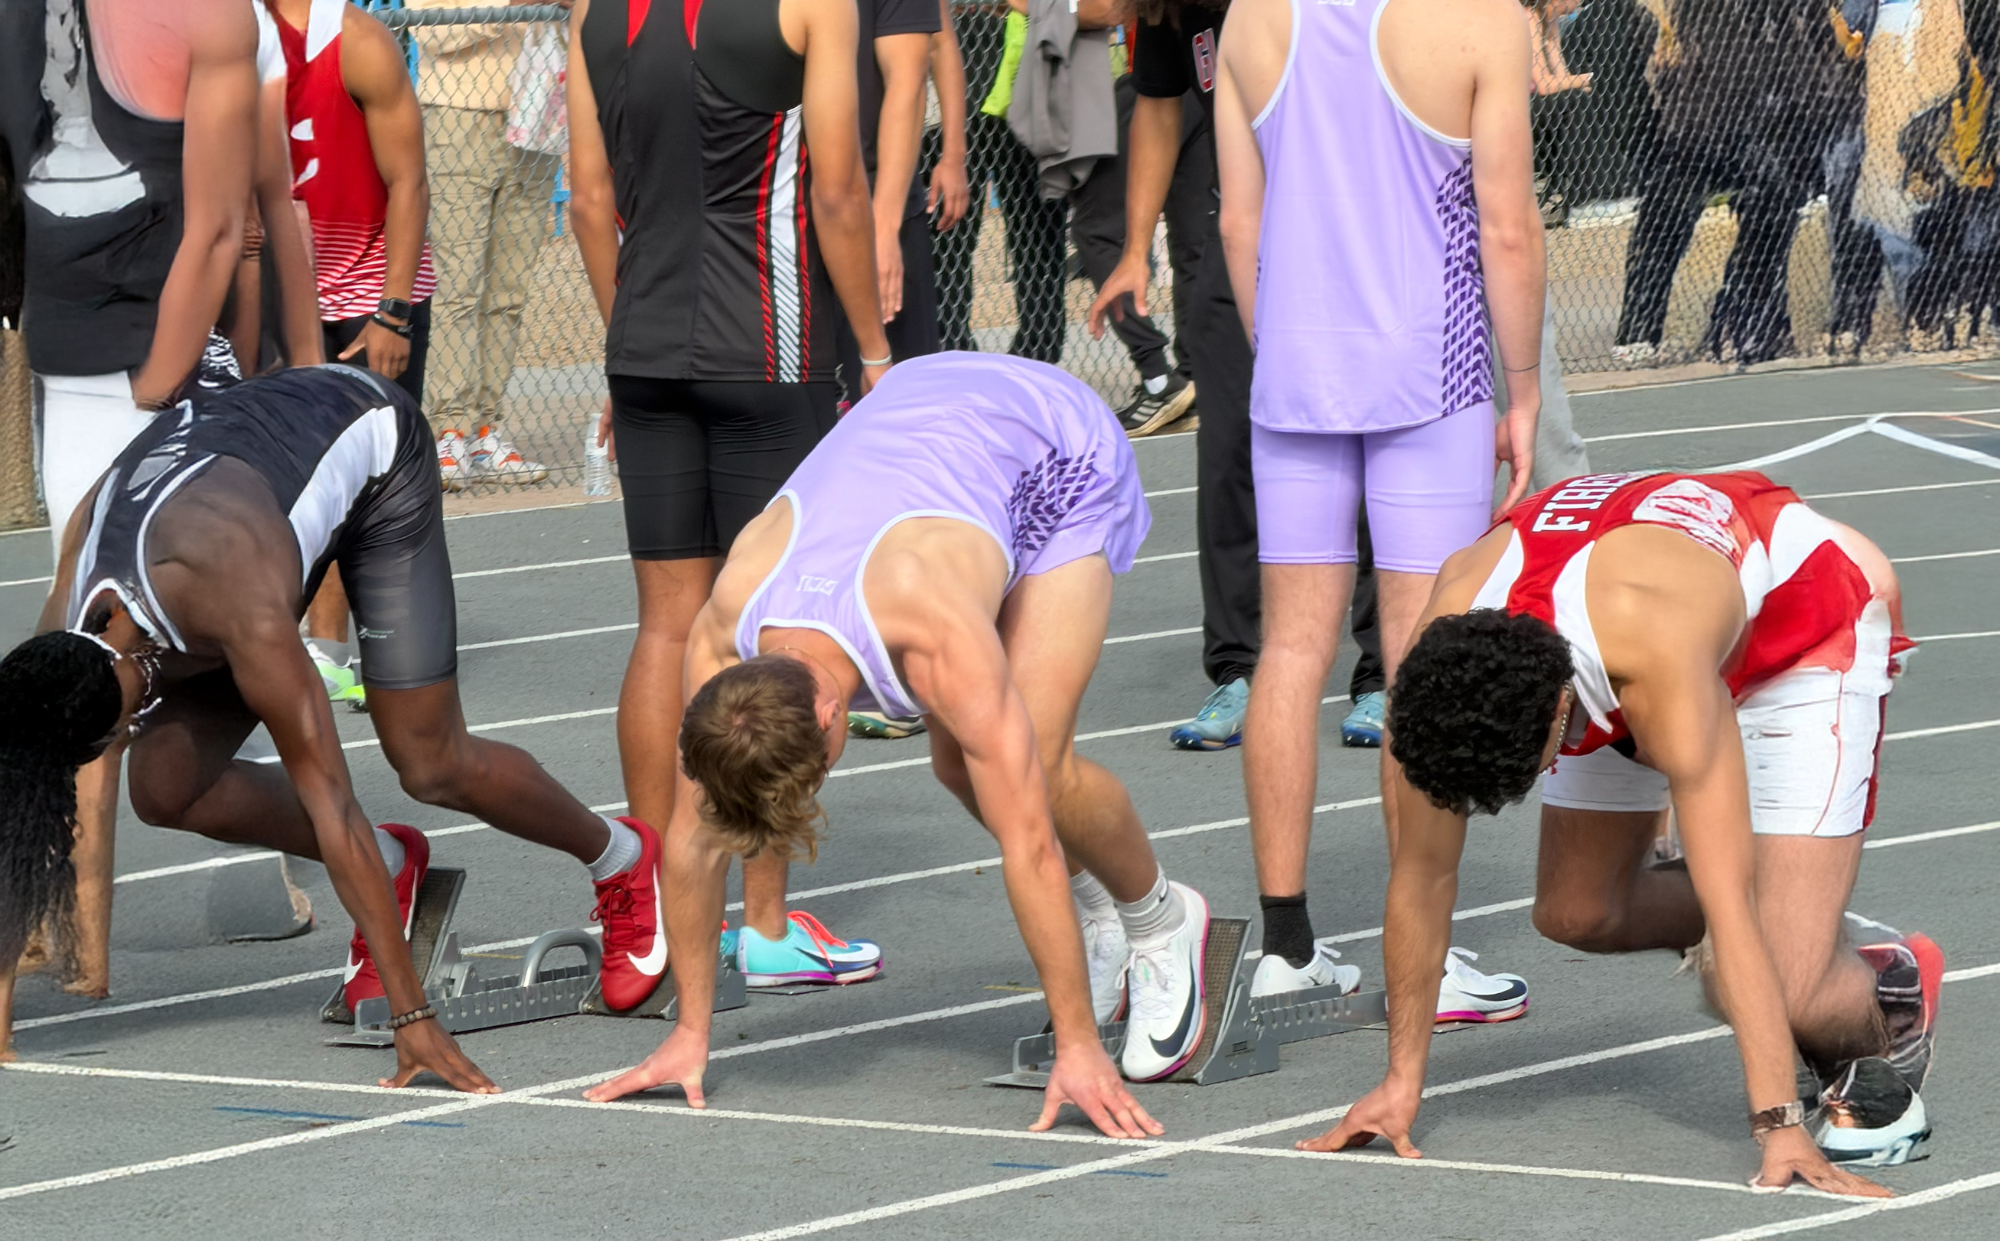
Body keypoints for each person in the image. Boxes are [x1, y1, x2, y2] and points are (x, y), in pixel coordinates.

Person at [583, 352, 1211, 1134]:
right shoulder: (723, 629)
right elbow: (692, 839)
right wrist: (691, 1033)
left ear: (829, 719)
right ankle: (1100, 918)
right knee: (958, 763)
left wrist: (1079, 1047)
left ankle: (1159, 919)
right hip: (929, 410)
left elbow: (1030, 847)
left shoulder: (930, 629)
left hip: (1054, 444)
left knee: (1034, 772)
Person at [0, 365, 665, 1071]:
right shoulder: (65, 632)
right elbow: (17, 812)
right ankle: (392, 866)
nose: (126, 737)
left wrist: (413, 1016)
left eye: (120, 728)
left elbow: (333, 803)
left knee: (428, 759)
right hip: (232, 494)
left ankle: (622, 857)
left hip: (370, 449)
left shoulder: (240, 605)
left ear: (127, 680)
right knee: (166, 788)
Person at [1317, 469, 1936, 1197]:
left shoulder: (1656, 655)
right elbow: (1421, 879)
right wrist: (1401, 1079)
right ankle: (1801, 910)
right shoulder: (1436, 668)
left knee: (1779, 968)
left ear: (1557, 715)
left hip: (1803, 625)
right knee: (1578, 910)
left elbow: (1725, 900)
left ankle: (1889, 985)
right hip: (1627, 603)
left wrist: (1777, 1123)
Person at [1211, 0, 1543, 1004]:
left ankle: (1283, 942)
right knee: (1416, 652)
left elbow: (1237, 217)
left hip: (1296, 372)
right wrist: (1520, 388)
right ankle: (1425, 958)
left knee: (1290, 646)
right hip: (1427, 376)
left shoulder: (1249, 18)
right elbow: (1509, 227)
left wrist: (1288, 346)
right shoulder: (1479, 20)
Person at [566, 0, 895, 994]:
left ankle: (657, 906)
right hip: (770, 346)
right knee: (771, 635)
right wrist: (875, 354)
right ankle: (761, 920)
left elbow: (587, 198)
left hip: (647, 340)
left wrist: (634, 346)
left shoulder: (594, 10)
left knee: (665, 624)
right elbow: (837, 190)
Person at [3, 0, 261, 1000]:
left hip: (159, 371)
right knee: (94, 648)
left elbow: (231, 226)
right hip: (83, 368)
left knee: (140, 647)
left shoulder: (206, 21)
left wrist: (167, 383)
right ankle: (68, 936)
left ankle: (72, 938)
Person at [407, 0, 560, 485]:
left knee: (509, 292)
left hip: (540, 114)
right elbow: (432, 33)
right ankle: (448, 427)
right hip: (458, 115)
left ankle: (486, 428)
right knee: (459, 285)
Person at [270, 0, 437, 405]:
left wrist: (393, 314)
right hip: (275, 298)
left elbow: (408, 182)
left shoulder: (359, 40)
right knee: (282, 462)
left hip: (366, 295)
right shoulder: (226, 36)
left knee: (378, 463)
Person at [833, 0, 945, 404]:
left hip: (880, 199)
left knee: (903, 405)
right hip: (777, 206)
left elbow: (909, 78)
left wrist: (883, 230)